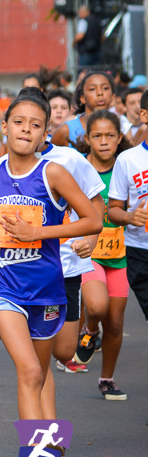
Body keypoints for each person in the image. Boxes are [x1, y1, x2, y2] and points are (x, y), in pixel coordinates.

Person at [0, 91, 99, 428]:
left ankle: (52, 439)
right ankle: (37, 453)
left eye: (35, 125)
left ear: (46, 133)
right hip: (3, 287)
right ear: (4, 127)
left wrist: (39, 234)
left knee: (42, 371)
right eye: (18, 122)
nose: (25, 130)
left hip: (46, 287)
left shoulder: (54, 174)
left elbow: (92, 220)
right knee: (30, 370)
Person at [77, 111, 131, 399]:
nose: (104, 141)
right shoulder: (78, 169)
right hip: (89, 252)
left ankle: (106, 378)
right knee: (97, 307)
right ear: (87, 139)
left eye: (110, 135)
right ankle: (89, 328)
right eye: (97, 135)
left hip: (120, 253)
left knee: (116, 322)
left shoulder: (126, 168)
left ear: (119, 138)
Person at [105, 88, 148, 341]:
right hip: (139, 251)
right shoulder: (128, 160)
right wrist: (130, 217)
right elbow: (113, 210)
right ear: (144, 115)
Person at [52, 71, 131, 148]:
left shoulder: (123, 125)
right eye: (92, 89)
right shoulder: (66, 130)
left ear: (113, 97)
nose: (100, 93)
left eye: (105, 88)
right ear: (82, 98)